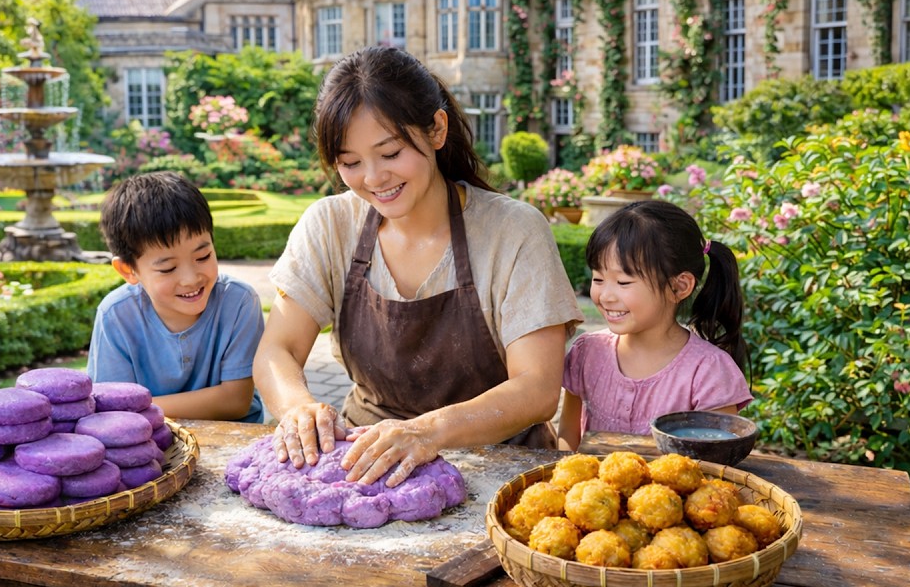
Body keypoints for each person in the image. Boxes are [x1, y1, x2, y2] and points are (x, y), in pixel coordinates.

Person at [254, 46, 583, 488]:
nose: (373, 178)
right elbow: (278, 351)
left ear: (437, 129)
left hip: (502, 472)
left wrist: (427, 432)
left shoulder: (514, 230)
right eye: (350, 162)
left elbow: (539, 388)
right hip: (367, 465)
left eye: (390, 153)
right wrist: (297, 408)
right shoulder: (330, 224)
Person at [558, 199, 752, 451]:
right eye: (598, 278)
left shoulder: (708, 372)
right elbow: (568, 436)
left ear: (679, 286)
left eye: (623, 282)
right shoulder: (587, 352)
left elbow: (717, 466)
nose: (605, 296)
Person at [88, 171, 265, 423]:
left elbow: (236, 401)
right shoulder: (116, 315)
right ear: (128, 270)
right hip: (151, 445)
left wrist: (139, 408)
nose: (191, 279)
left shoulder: (238, 302)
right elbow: (112, 407)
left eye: (203, 257)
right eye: (168, 268)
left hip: (233, 440)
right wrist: (129, 410)